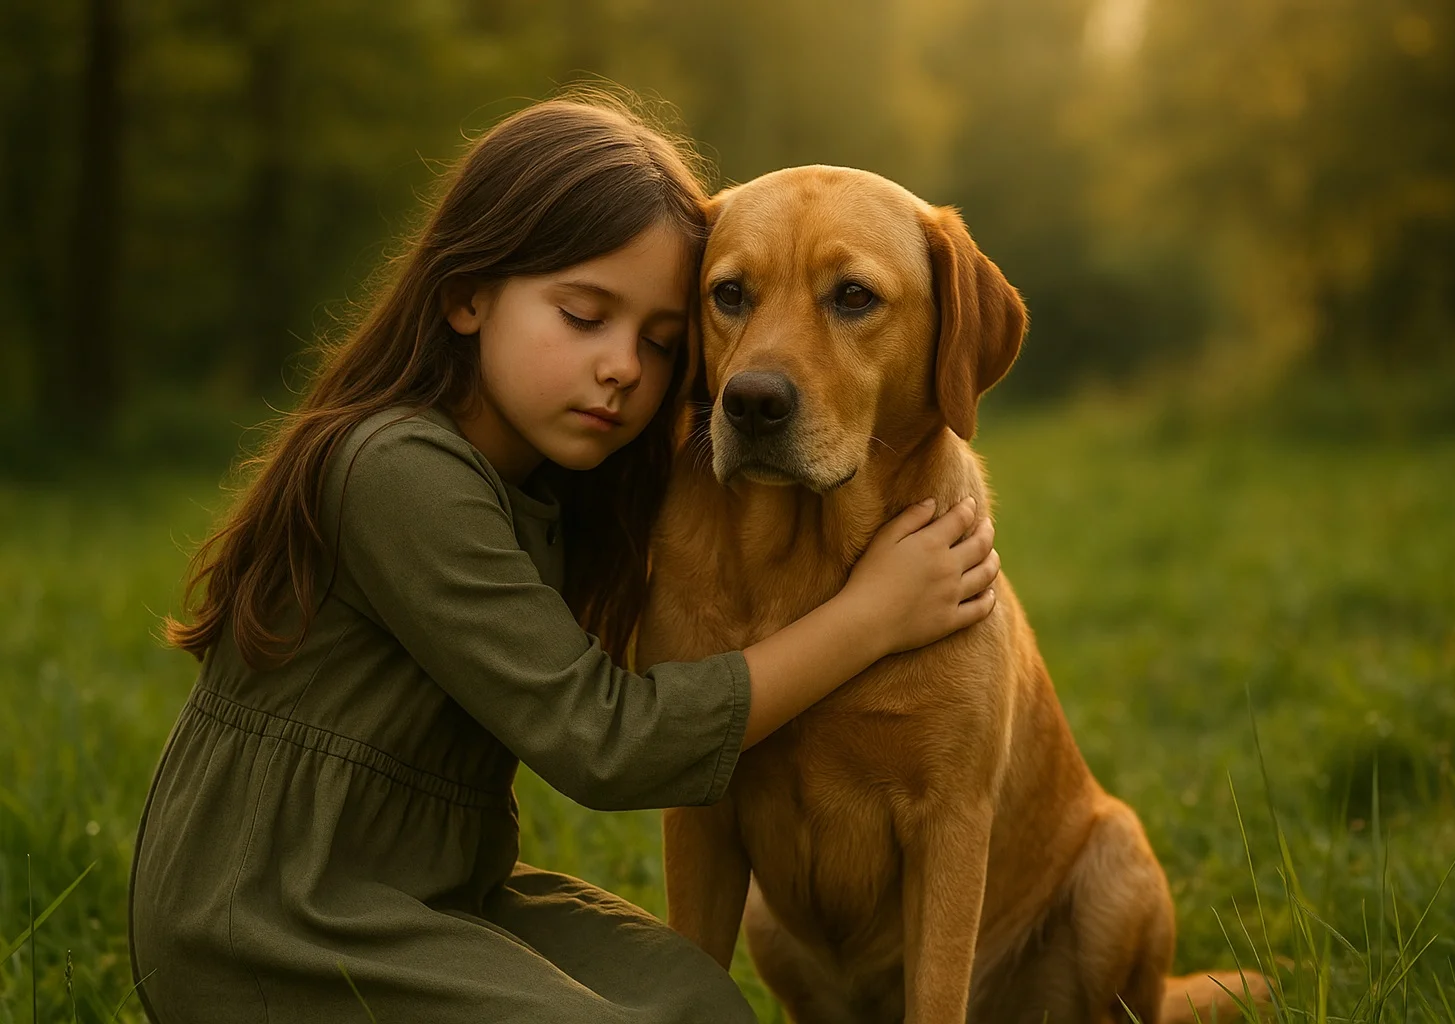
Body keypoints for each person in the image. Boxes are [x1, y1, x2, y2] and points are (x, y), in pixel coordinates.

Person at [128, 94, 1000, 1023]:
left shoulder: (560, 480)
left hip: (435, 888)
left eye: (660, 342)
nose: (624, 366)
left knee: (699, 1005)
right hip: (267, 916)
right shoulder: (398, 474)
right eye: (584, 316)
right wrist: (869, 617)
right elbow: (603, 743)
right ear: (465, 295)